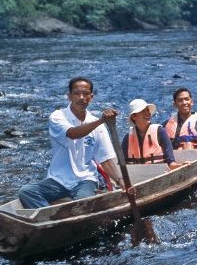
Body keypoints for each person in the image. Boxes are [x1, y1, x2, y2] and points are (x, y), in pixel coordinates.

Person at [18, 77, 124, 209]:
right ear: (69, 96)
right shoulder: (57, 116)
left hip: (85, 179)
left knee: (82, 204)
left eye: (85, 94)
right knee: (27, 192)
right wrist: (101, 121)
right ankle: (49, 217)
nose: (81, 98)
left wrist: (120, 181)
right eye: (76, 93)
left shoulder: (98, 125)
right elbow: (73, 133)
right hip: (58, 180)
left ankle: (57, 220)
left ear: (91, 97)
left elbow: (105, 160)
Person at [122, 98, 184, 170]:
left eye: (147, 110)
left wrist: (180, 166)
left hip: (159, 172)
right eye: (143, 111)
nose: (147, 113)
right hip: (137, 175)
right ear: (134, 116)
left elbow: (171, 162)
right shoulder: (127, 138)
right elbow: (123, 165)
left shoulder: (160, 132)